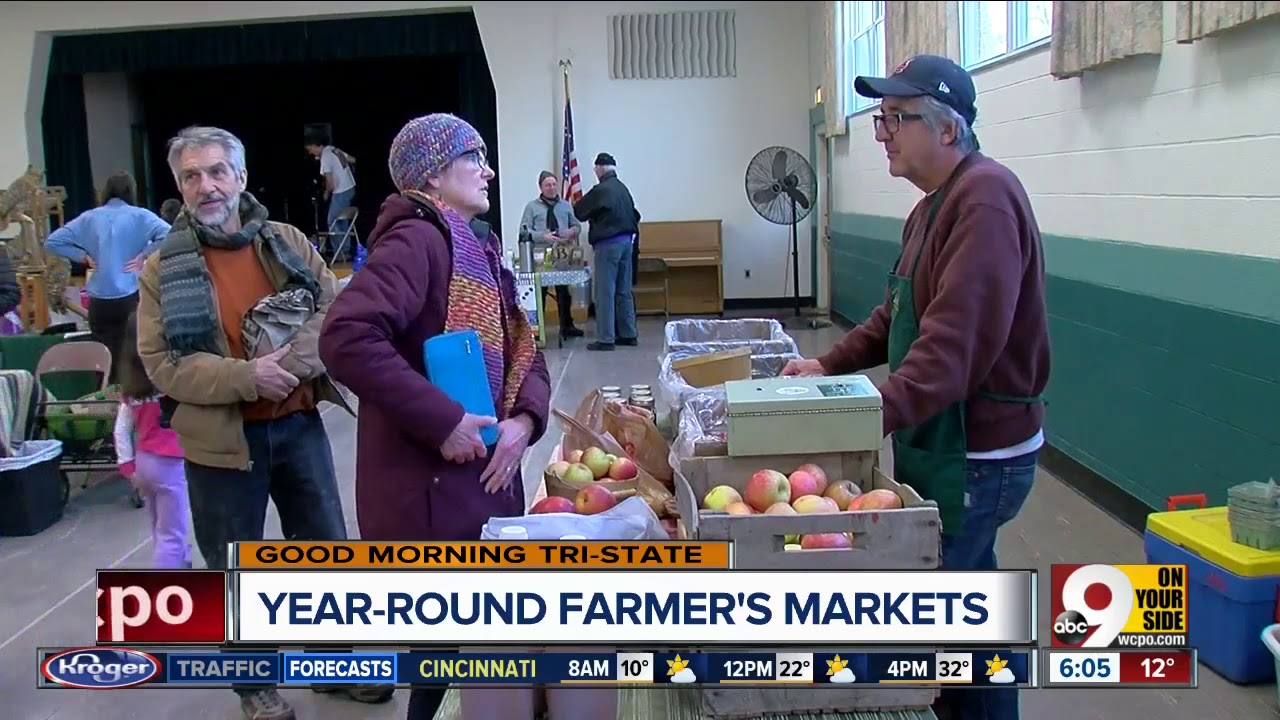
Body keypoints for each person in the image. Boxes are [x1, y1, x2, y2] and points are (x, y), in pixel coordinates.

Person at [781, 55, 1050, 720]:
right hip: (941, 439)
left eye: (896, 119)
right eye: (882, 120)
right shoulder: (932, 209)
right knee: (971, 605)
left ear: (948, 129)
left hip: (976, 454)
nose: (882, 134)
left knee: (952, 623)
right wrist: (826, 367)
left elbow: (952, 350)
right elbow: (895, 315)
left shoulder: (984, 202)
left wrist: (865, 417)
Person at [319, 114, 613, 720]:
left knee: (473, 663)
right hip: (428, 502)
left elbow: (522, 349)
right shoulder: (417, 240)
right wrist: (445, 419)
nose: (489, 169)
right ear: (432, 175)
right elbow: (346, 336)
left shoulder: (476, 246)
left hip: (476, 487)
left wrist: (525, 423)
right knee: (446, 666)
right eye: (473, 157)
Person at [135, 125, 390, 720]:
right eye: (192, 176)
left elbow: (335, 312)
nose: (207, 185)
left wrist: (290, 368)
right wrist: (248, 379)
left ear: (241, 177)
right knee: (235, 566)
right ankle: (256, 688)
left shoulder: (288, 242)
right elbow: (162, 364)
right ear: (179, 186)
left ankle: (336, 665)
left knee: (326, 548)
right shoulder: (159, 270)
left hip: (297, 425)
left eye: (218, 171)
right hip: (220, 444)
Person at [45, 171, 169, 382]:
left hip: (99, 302)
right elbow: (171, 235)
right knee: (135, 355)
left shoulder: (88, 218)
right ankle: (134, 408)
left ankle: (106, 404)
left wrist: (82, 257)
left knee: (103, 356)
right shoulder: (141, 216)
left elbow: (52, 241)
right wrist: (144, 256)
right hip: (132, 295)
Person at [114, 310, 190, 569]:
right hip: (171, 463)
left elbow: (121, 430)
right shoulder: (171, 380)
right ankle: (168, 589)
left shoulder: (131, 387)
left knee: (159, 526)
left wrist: (128, 467)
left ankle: (183, 563)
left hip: (144, 461)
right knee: (173, 531)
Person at [573, 152, 639, 351]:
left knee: (604, 292)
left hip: (608, 245)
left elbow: (580, 211)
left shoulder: (601, 190)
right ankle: (628, 334)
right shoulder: (623, 189)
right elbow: (636, 214)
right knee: (623, 291)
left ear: (600, 169)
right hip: (628, 244)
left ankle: (606, 338)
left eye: (595, 169)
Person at [520, 170, 583, 337]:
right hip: (541, 255)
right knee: (540, 293)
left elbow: (577, 226)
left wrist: (571, 232)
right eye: (548, 185)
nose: (552, 188)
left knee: (564, 292)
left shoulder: (565, 205)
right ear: (540, 187)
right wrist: (543, 236)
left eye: (554, 184)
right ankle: (536, 330)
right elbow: (524, 230)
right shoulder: (532, 207)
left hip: (562, 254)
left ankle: (567, 326)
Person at [304, 128, 357, 259]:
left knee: (332, 220)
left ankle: (340, 253)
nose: (310, 152)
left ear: (316, 145)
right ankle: (345, 250)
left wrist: (327, 193)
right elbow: (353, 160)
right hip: (350, 187)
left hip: (341, 190)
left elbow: (330, 183)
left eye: (310, 148)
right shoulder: (334, 149)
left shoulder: (325, 157)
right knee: (342, 221)